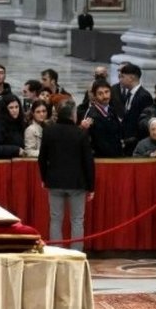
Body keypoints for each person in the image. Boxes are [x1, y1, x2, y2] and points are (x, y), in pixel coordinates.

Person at [38, 100, 95, 251]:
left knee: (56, 219)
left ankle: (57, 252)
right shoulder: (80, 133)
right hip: (77, 183)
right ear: (72, 116)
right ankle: (76, 253)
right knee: (77, 220)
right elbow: (88, 161)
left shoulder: (49, 131)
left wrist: (43, 178)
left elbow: (42, 158)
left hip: (54, 181)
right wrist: (91, 186)